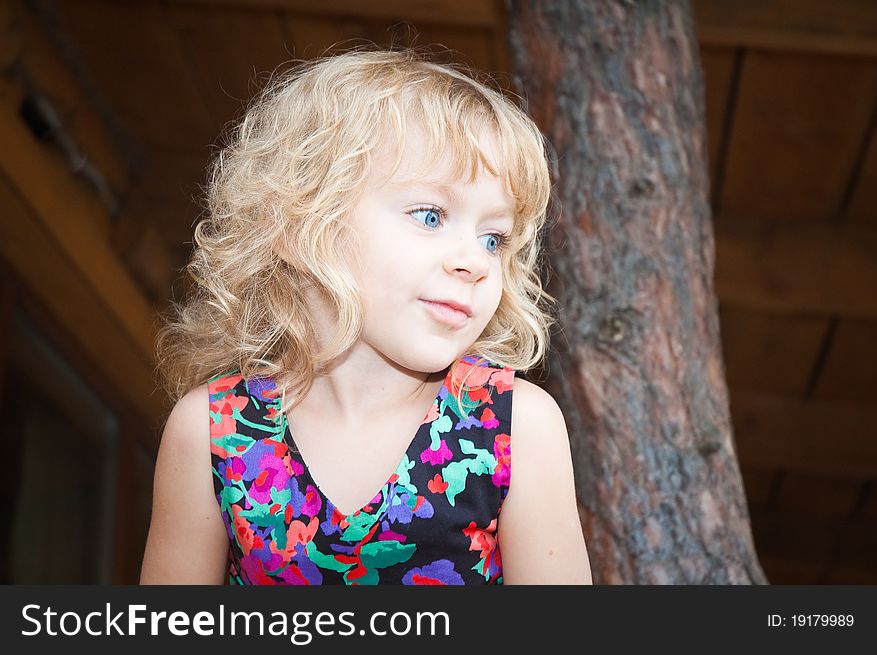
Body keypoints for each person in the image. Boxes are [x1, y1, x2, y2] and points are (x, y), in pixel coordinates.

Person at [140, 46, 592, 585]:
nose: (474, 261)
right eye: (431, 215)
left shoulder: (518, 427)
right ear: (299, 224)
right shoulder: (212, 431)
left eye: (493, 238)